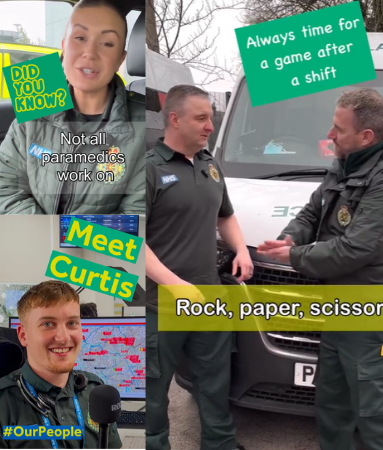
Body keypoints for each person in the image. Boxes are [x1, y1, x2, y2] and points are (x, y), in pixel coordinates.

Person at [257, 88, 383, 450]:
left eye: (338, 129)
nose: (329, 134)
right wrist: (290, 237)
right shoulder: (346, 162)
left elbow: (356, 248)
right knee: (331, 404)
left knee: (371, 414)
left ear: (366, 136)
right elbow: (313, 211)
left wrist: (294, 257)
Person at [144, 84, 253, 450]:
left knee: (214, 383)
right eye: (201, 118)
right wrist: (174, 284)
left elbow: (225, 215)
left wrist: (241, 250)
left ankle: (220, 445)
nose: (210, 126)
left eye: (210, 117)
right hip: (159, 304)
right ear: (175, 119)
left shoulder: (209, 164)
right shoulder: (147, 170)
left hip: (208, 299)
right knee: (152, 391)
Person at [0, 0, 145, 215]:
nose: (90, 52)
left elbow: (136, 216)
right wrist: (45, 232)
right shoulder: (37, 97)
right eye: (80, 38)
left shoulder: (143, 124)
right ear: (63, 45)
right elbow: (6, 188)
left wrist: (64, 235)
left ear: (120, 59)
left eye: (107, 43)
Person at [0, 280, 122, 449]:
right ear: (23, 335)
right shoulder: (3, 404)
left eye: (72, 323)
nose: (63, 338)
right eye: (47, 324)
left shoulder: (95, 391)